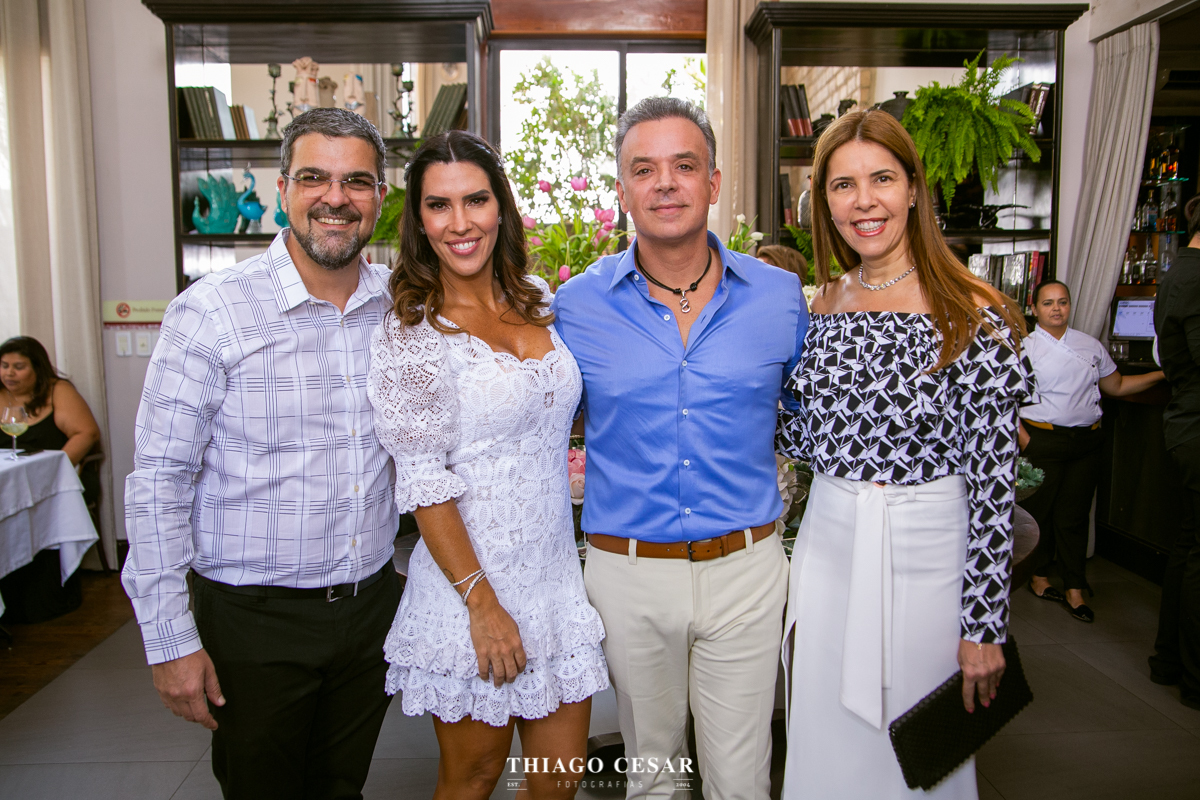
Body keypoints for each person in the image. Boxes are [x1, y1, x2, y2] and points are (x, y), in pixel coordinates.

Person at [122, 108, 402, 800]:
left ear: (379, 198)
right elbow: (159, 481)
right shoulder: (211, 311)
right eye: (313, 178)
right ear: (282, 191)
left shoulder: (401, 306)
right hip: (253, 620)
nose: (335, 198)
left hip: (372, 609)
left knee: (341, 787)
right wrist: (169, 640)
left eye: (356, 181)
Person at [553, 97, 808, 800]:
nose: (665, 183)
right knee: (653, 776)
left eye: (684, 165)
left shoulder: (780, 296)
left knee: (741, 780)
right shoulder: (574, 307)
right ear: (623, 190)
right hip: (628, 574)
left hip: (748, 571)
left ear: (714, 182)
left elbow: (815, 418)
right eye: (645, 169)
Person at [776, 109, 1034, 799]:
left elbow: (994, 489)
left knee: (918, 758)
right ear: (824, 202)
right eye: (843, 185)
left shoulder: (971, 313)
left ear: (915, 189)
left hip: (929, 559)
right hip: (829, 549)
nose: (864, 202)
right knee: (826, 742)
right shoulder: (819, 309)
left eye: (882, 179)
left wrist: (984, 627)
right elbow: (808, 441)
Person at [369, 130, 608, 799]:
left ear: (500, 207)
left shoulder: (536, 298)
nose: (460, 222)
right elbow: (423, 480)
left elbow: (555, 413)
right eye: (438, 205)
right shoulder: (411, 331)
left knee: (559, 781)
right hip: (470, 591)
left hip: (554, 584)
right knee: (471, 779)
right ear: (420, 221)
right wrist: (483, 605)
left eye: (475, 200)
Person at [1020, 280, 1164, 623]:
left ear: (1070, 305)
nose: (1056, 309)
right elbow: (1005, 402)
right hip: (1043, 439)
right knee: (1041, 511)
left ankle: (1075, 586)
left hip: (1087, 441)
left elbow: (1117, 385)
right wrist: (1027, 441)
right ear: (1035, 308)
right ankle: (1038, 577)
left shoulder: (1090, 345)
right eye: (1048, 303)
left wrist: (1162, 374)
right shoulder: (1023, 348)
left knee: (1074, 514)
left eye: (1062, 302)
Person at [0, 335, 101, 623]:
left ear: (37, 367)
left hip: (55, 483)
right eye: (4, 366)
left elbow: (86, 433)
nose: (9, 373)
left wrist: (53, 474)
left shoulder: (58, 390)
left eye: (18, 367)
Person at [1151, 194, 1200, 709]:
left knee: (1189, 546)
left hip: (1185, 420)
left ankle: (1170, 660)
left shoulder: (1179, 271)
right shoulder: (1195, 277)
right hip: (1195, 423)